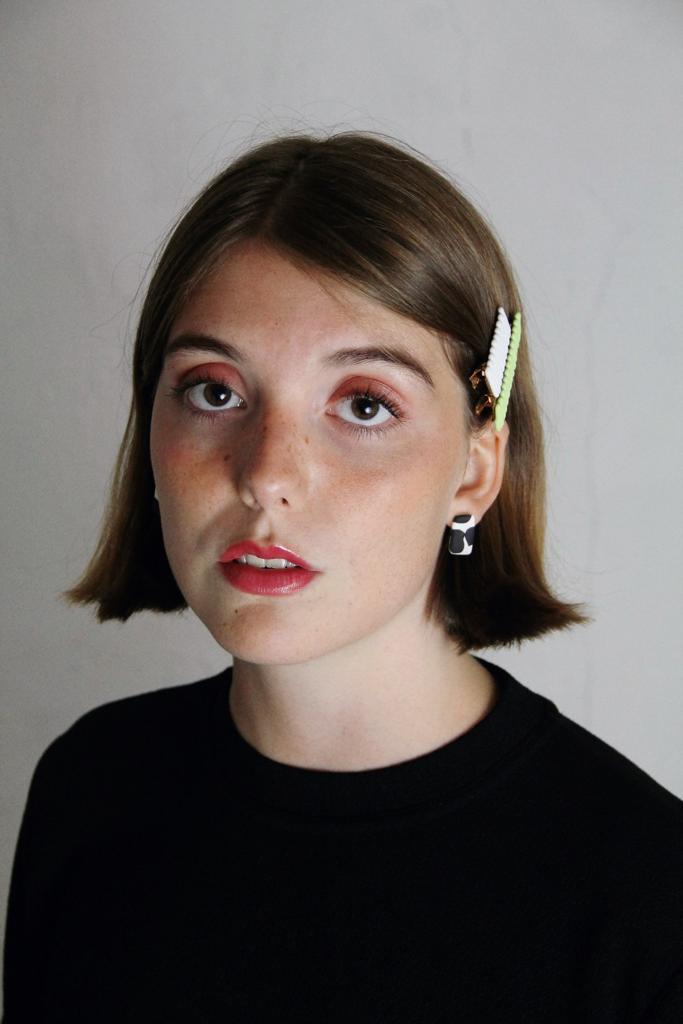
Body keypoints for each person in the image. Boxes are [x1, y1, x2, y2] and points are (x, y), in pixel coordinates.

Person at [3, 130, 682, 1022]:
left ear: (474, 470)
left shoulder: (650, 900)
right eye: (214, 391)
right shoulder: (90, 791)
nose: (266, 475)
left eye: (364, 404)